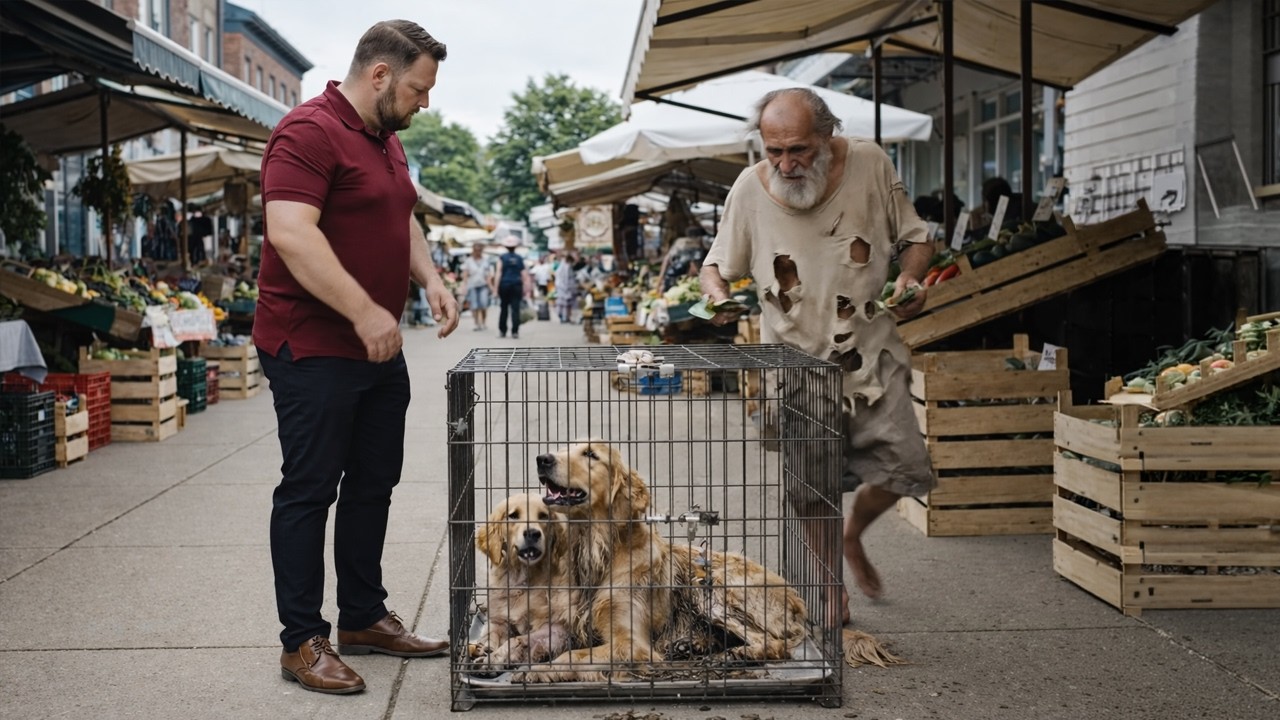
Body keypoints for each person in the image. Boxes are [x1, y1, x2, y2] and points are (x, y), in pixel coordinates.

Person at [251, 19, 459, 696]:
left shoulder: (385, 140)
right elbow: (289, 231)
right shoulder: (307, 132)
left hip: (378, 349)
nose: (425, 103)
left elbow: (401, 215)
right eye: (419, 89)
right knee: (310, 489)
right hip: (310, 344)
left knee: (374, 483)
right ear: (380, 75)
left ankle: (363, 618)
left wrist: (428, 277)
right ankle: (301, 641)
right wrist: (364, 308)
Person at [698, 88, 935, 626]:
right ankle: (832, 588)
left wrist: (911, 275)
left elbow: (916, 238)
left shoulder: (870, 162)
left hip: (871, 353)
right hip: (795, 364)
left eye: (799, 149)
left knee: (908, 470)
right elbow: (716, 266)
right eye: (773, 151)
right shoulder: (749, 189)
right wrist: (716, 296)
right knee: (812, 486)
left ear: (828, 136)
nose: (786, 163)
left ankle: (853, 535)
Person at [495, 236, 529, 339]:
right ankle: (515, 332)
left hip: (504, 285)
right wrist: (527, 288)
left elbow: (498, 273)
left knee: (504, 308)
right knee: (515, 309)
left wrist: (495, 289)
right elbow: (524, 274)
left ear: (505, 246)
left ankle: (502, 331)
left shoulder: (502, 258)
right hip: (516, 285)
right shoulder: (519, 258)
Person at [659, 224, 711, 292]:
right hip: (683, 279)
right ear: (699, 236)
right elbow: (694, 267)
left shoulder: (679, 242)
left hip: (673, 276)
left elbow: (666, 260)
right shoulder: (697, 245)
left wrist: (660, 278)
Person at [460, 242, 495, 332]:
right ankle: (476, 323)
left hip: (483, 285)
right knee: (474, 306)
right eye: (476, 250)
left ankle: (483, 322)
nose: (478, 252)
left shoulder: (485, 261)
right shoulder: (469, 261)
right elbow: (465, 274)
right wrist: (464, 286)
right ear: (473, 250)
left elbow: (488, 276)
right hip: (472, 285)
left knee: (483, 304)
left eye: (479, 250)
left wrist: (491, 287)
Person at [554, 250, 580, 324]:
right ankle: (565, 317)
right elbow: (566, 278)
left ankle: (564, 317)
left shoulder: (562, 265)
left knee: (564, 304)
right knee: (566, 304)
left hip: (562, 287)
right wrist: (569, 287)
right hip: (565, 287)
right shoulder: (566, 267)